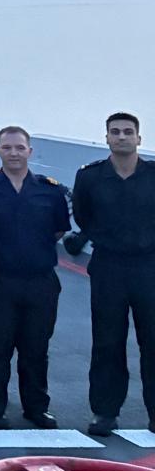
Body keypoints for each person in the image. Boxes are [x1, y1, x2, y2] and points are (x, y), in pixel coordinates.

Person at [0, 126, 70, 430]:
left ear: (29, 151)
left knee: (36, 348)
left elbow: (59, 230)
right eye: (7, 147)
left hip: (40, 281)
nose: (13, 153)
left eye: (19, 148)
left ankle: (36, 407)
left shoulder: (50, 191)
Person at [71, 111, 155, 436]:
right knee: (107, 342)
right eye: (115, 132)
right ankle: (105, 413)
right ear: (106, 138)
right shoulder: (90, 177)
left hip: (149, 267)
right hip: (109, 268)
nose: (122, 136)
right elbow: (83, 215)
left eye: (128, 132)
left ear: (139, 138)